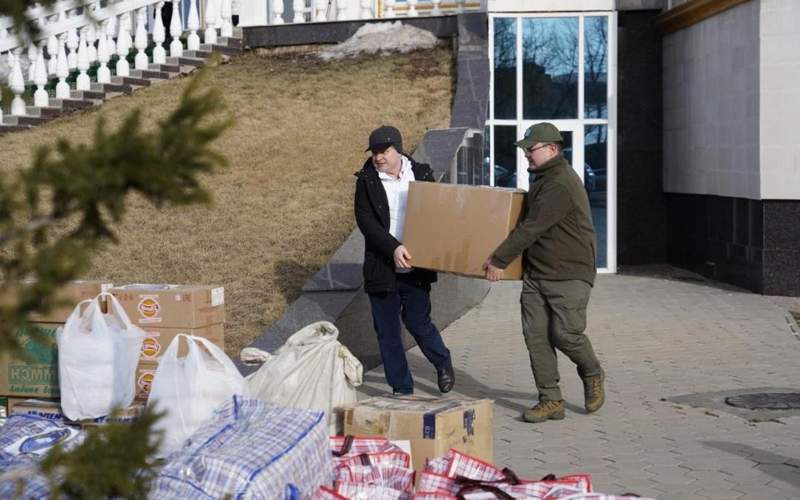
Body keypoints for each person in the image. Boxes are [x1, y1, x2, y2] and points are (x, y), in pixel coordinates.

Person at [483, 122, 604, 423]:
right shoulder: (542, 180)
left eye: (531, 149)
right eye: (525, 149)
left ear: (552, 149)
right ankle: (551, 400)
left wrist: (499, 259)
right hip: (538, 274)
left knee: (565, 334)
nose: (526, 155)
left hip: (569, 273)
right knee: (536, 337)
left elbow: (533, 227)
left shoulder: (559, 183)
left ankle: (591, 371)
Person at [354, 125, 455, 395]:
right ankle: (402, 388)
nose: (378, 157)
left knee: (418, 322)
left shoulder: (421, 174)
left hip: (415, 266)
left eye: (383, 151)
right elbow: (366, 222)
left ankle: (443, 362)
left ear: (398, 150)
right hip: (382, 265)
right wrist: (393, 248)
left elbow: (436, 212)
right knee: (388, 332)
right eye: (374, 152)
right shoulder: (366, 180)